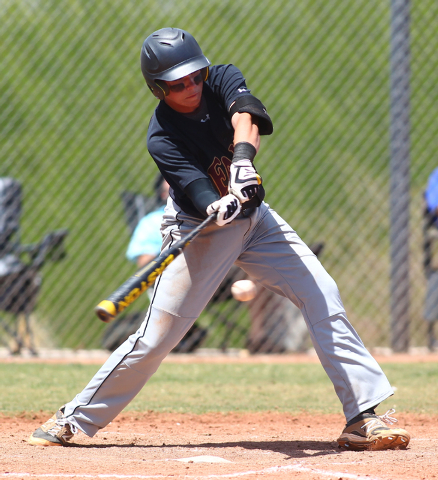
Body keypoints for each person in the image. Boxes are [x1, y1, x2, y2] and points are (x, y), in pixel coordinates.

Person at [28, 27, 410, 451]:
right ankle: (72, 418)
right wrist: (215, 204)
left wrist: (242, 162)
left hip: (258, 221)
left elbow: (244, 116)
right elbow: (196, 190)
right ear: (158, 89)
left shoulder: (222, 78)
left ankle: (361, 416)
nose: (191, 87)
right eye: (178, 83)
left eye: (196, 75)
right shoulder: (162, 137)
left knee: (323, 292)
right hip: (202, 232)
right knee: (156, 339)